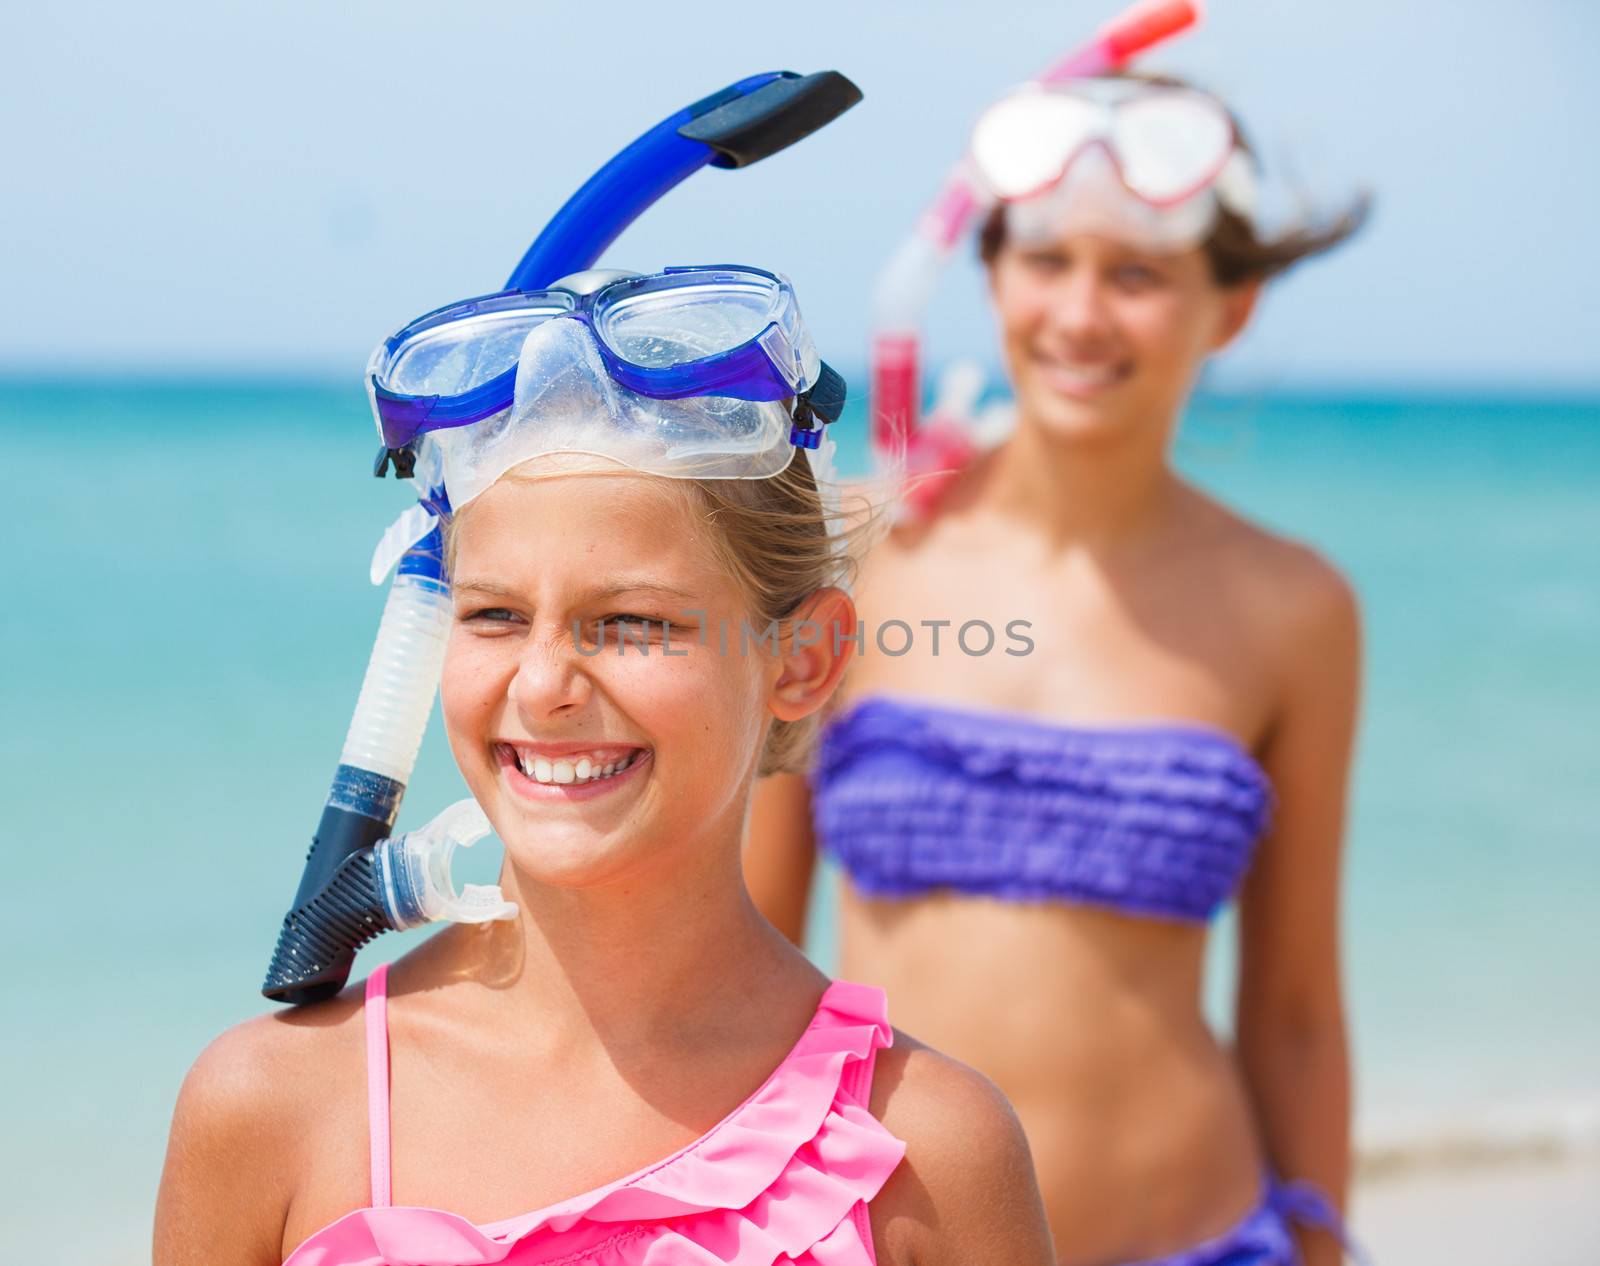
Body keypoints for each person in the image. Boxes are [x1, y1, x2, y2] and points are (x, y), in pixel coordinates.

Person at [153, 266, 1056, 1266]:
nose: (543, 687)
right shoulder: (271, 1112)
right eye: (493, 614)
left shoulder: (928, 1158)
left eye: (632, 623)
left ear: (802, 660)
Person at [746, 72, 1368, 1266]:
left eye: (1136, 276)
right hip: (878, 1241)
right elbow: (742, 945)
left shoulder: (1293, 608)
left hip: (1205, 1238)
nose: (1081, 315)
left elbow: (1292, 1013)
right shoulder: (851, 560)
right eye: (1046, 263)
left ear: (1228, 305)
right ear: (990, 274)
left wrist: (1324, 1242)